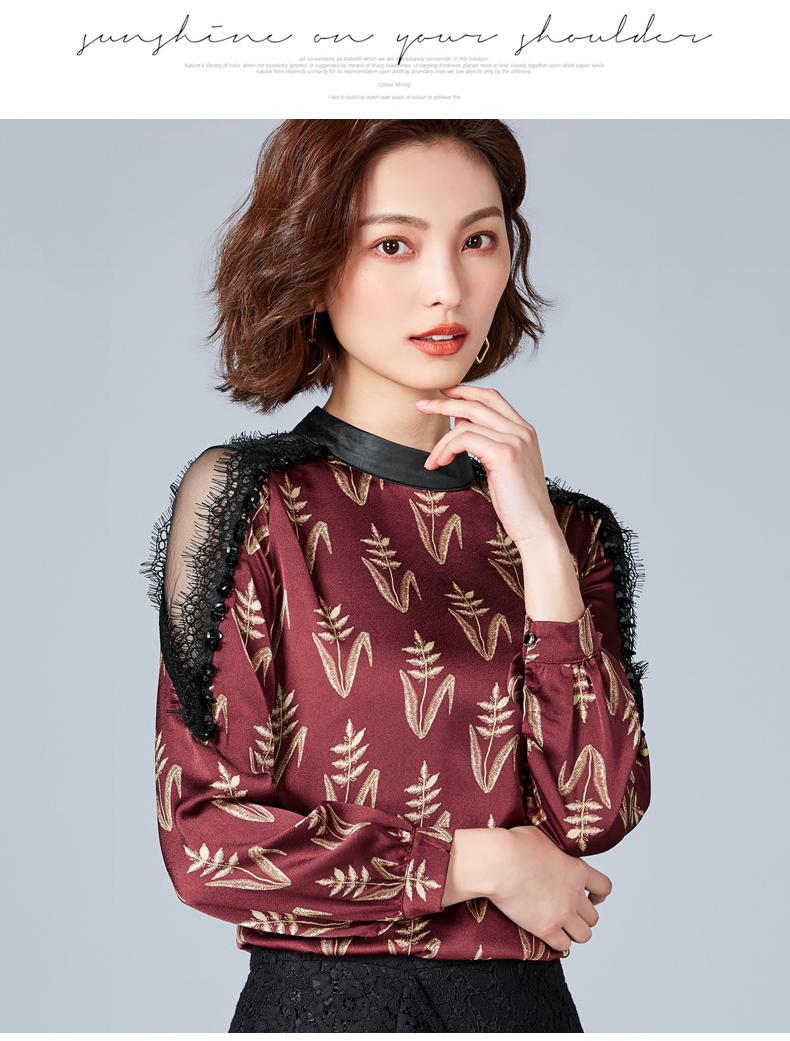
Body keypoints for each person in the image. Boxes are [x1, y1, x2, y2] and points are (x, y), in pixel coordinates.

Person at [146, 118, 650, 1032]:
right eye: (394, 244)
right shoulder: (257, 504)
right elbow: (208, 841)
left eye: (478, 240)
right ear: (314, 262)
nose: (446, 286)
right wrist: (481, 863)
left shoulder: (570, 534)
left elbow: (592, 809)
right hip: (327, 1007)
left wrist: (540, 544)